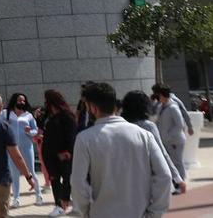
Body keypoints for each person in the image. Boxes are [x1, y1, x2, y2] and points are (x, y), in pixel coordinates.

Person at [72, 83, 172, 218]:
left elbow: (78, 183)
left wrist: (85, 212)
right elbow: (165, 176)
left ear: (93, 108)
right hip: (139, 213)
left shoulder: (84, 139)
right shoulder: (144, 135)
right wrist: (155, 212)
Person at [121, 91, 186, 195]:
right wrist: (177, 178)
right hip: (145, 176)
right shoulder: (148, 126)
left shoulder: (119, 126)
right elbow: (161, 152)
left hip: (124, 177)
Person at [1, 93, 44, 207]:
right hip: (12, 149)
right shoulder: (5, 113)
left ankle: (38, 195)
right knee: (14, 174)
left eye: (24, 101)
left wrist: (30, 131)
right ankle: (16, 198)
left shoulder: (28, 115)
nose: (22, 103)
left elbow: (35, 131)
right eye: (20, 100)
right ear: (14, 101)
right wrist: (5, 124)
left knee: (31, 172)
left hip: (27, 147)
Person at [41, 89, 77, 218]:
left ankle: (65, 203)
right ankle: (59, 205)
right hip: (49, 154)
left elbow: (72, 135)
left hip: (63, 155)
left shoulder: (67, 116)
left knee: (67, 180)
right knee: (54, 179)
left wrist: (67, 151)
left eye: (47, 100)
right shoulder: (49, 116)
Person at [152, 85, 188, 182]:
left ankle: (181, 181)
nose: (158, 98)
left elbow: (179, 124)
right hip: (166, 140)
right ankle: (175, 181)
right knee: (171, 161)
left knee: (178, 161)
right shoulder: (161, 106)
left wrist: (169, 135)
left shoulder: (173, 107)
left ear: (163, 95)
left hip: (175, 140)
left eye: (159, 95)